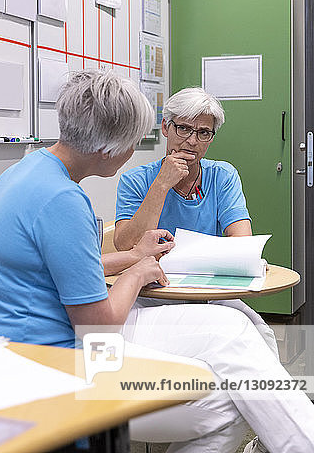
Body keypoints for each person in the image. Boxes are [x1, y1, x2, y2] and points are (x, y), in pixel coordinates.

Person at [0, 71, 314, 453]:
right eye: (134, 141)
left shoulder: (25, 173)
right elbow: (99, 329)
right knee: (234, 401)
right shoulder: (63, 201)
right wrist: (136, 271)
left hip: (28, 340)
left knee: (235, 330)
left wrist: (132, 256)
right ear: (107, 147)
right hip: (52, 361)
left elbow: (58, 267)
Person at [114, 87, 278, 356]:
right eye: (184, 129)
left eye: (203, 133)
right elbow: (126, 246)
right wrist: (161, 185)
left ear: (211, 137)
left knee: (259, 336)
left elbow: (241, 241)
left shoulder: (222, 175)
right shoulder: (136, 180)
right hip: (153, 293)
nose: (192, 141)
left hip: (211, 290)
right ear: (166, 127)